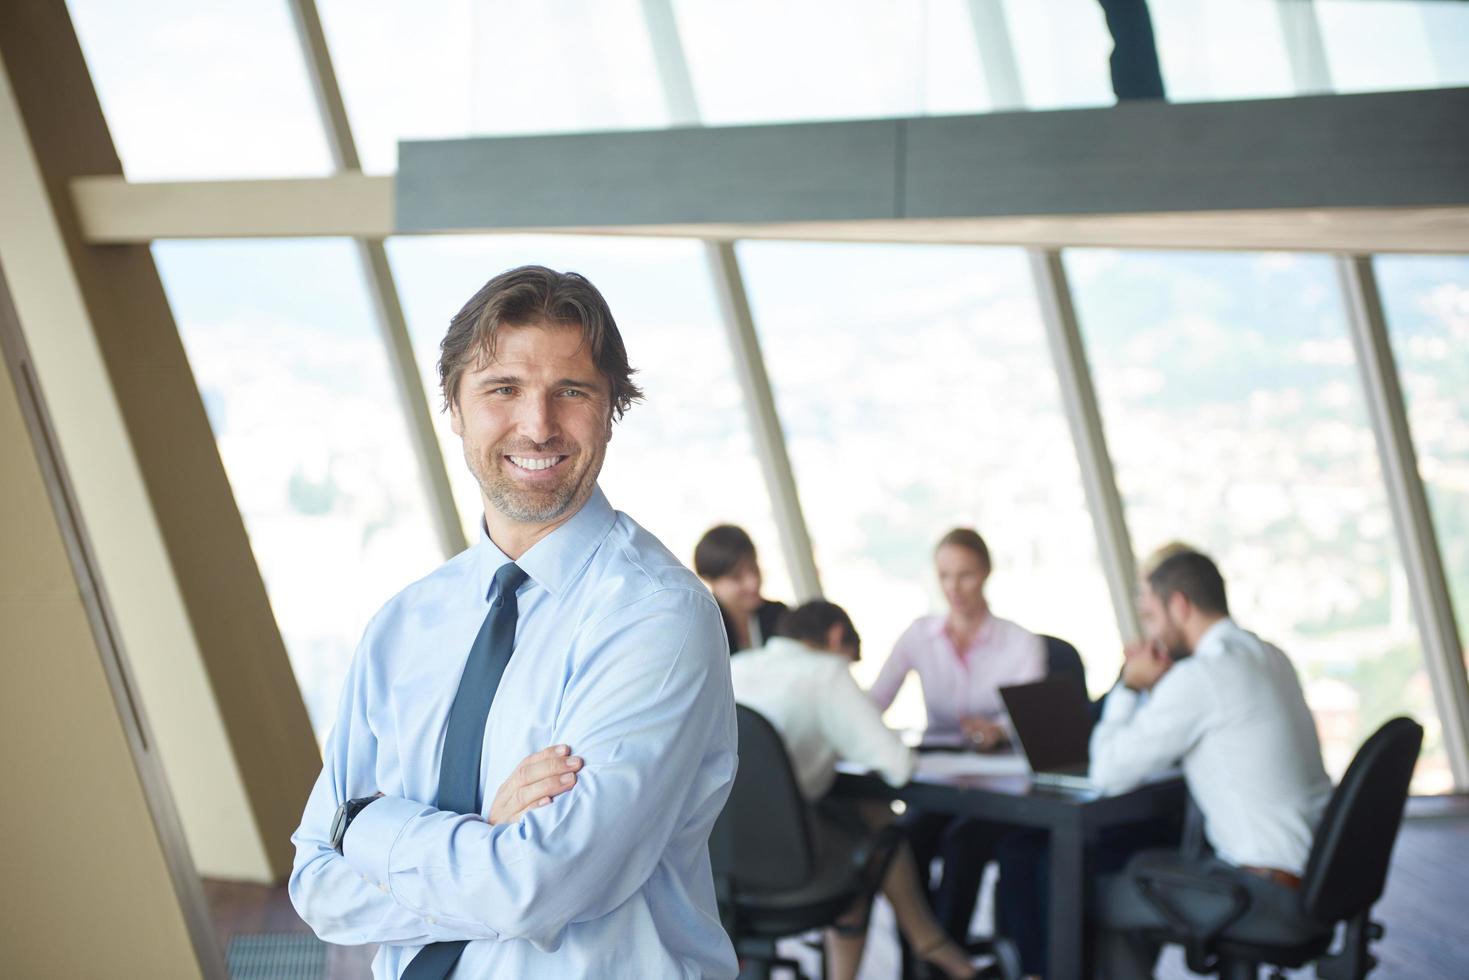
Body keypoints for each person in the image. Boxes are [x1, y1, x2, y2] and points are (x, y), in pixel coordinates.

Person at [289, 266, 739, 979]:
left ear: (610, 410)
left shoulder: (656, 617)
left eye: (572, 391)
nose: (538, 425)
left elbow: (540, 886)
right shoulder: (404, 626)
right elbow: (316, 886)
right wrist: (484, 840)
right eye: (503, 389)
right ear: (455, 407)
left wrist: (369, 828)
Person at [997, 550, 1332, 979]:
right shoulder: (1269, 656)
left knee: (1080, 890)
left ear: (1180, 605)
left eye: (1151, 616)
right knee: (1126, 866)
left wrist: (1128, 684)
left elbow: (1108, 772)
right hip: (1314, 882)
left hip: (1262, 896)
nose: (1149, 632)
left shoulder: (1201, 677)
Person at [730, 601, 977, 980]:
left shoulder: (738, 666)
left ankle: (931, 944)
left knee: (866, 817)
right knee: (870, 846)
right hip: (785, 866)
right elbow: (898, 765)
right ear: (835, 638)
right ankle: (931, 944)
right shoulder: (827, 673)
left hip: (717, 864)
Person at [869, 528, 1046, 946]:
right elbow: (874, 701)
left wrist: (998, 731)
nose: (954, 588)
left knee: (961, 844)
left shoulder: (1022, 643)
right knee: (905, 842)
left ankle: (948, 962)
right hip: (940, 782)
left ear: (985, 573)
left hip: (1001, 787)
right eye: (945, 575)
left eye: (965, 575)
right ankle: (920, 961)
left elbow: (1032, 722)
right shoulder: (919, 635)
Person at [694, 523, 788, 654]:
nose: (753, 583)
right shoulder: (703, 630)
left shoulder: (779, 615)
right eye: (736, 577)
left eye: (754, 568)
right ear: (710, 579)